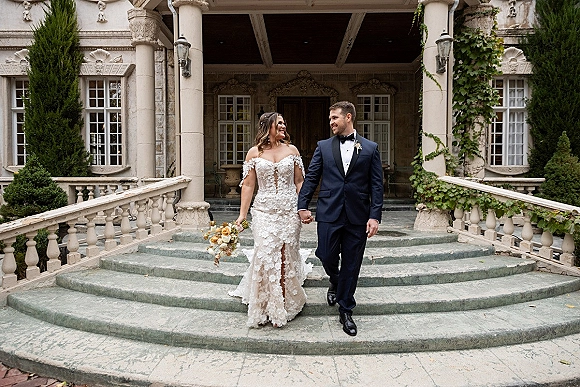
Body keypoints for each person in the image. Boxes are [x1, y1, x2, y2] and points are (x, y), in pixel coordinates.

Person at [298, 101, 383, 336]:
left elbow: (376, 185)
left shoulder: (370, 148)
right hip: (329, 212)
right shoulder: (323, 147)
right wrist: (302, 205)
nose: (331, 122)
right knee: (325, 254)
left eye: (335, 118)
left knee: (352, 264)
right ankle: (335, 280)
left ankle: (346, 309)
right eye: (329, 119)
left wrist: (374, 216)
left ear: (348, 117)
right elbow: (312, 177)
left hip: (358, 216)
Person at [230, 112, 311, 328]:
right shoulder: (253, 153)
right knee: (266, 252)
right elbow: (248, 186)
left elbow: (299, 182)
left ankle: (282, 304)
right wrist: (242, 215)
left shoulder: (292, 151)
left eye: (285, 122)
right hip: (264, 210)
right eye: (280, 123)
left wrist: (302, 207)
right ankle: (265, 305)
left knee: (285, 254)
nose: (284, 126)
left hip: (289, 210)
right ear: (268, 126)